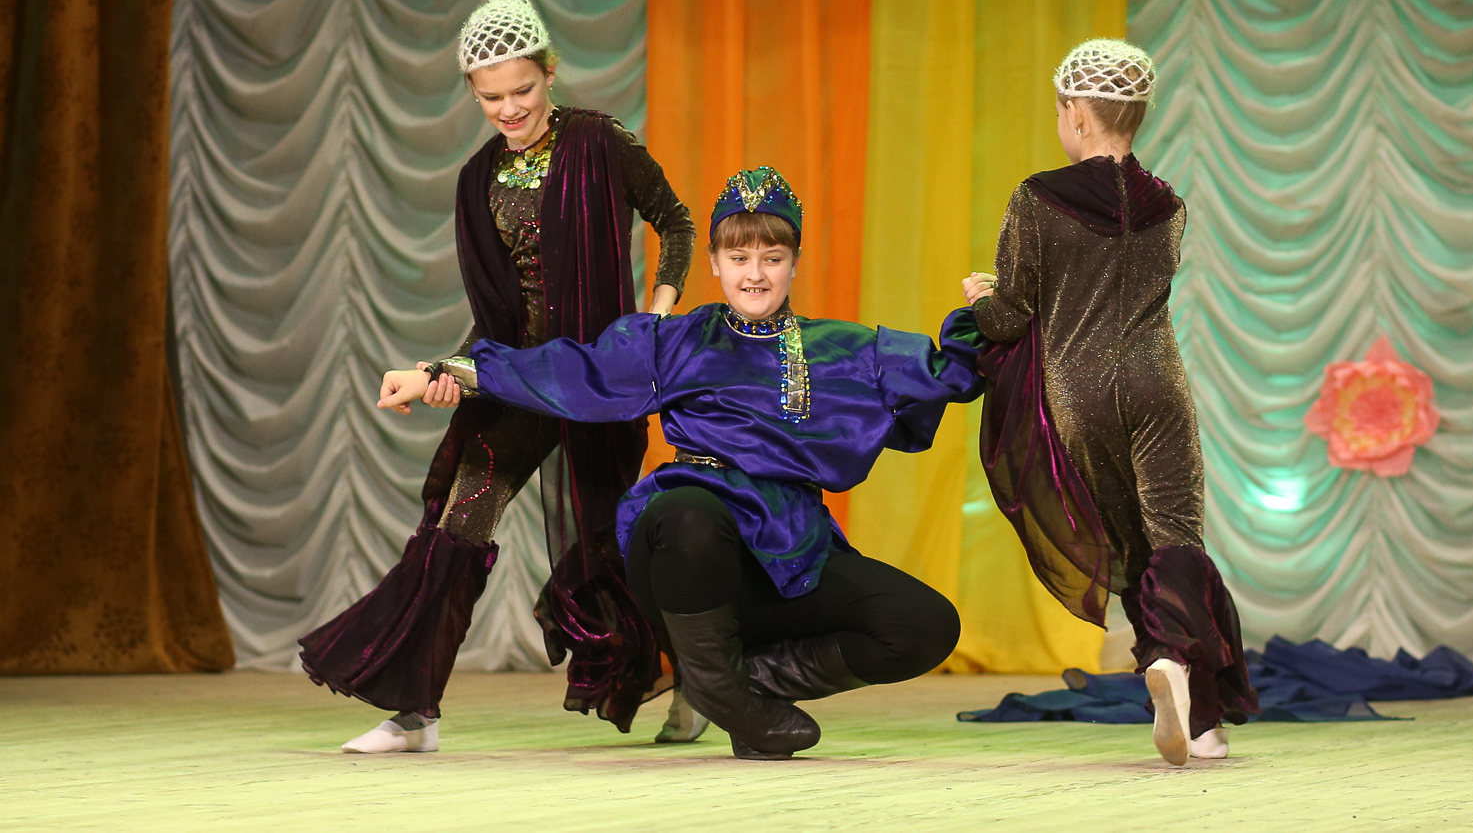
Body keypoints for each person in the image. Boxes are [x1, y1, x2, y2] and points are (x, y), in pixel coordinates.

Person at [386, 167, 979, 760]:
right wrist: (445, 372)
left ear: (794, 264)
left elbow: (946, 373)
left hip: (786, 555)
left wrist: (989, 316)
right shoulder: (676, 342)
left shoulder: (843, 350)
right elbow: (568, 370)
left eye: (772, 259)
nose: (755, 274)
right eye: (738, 258)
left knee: (925, 624)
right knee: (690, 510)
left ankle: (742, 686)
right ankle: (723, 690)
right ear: (715, 264)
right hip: (688, 562)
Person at [299, 0, 696, 753]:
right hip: (519, 379)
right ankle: (414, 712)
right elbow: (495, 317)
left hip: (597, 382)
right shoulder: (477, 179)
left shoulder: (600, 141)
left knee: (609, 548)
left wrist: (656, 316)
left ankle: (697, 679)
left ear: (549, 73)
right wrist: (443, 372)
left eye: (524, 89)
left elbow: (675, 221)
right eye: (491, 98)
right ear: (472, 94)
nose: (510, 109)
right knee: (456, 524)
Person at [962, 38, 1259, 767]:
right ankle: (1198, 709)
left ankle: (1165, 667)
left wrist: (979, 298)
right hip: (1159, 384)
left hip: (1081, 394)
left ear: (1075, 113)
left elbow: (1011, 316)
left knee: (1127, 542)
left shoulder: (1038, 198)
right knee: (1175, 537)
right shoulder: (1170, 207)